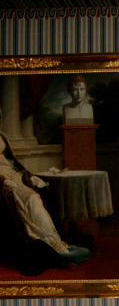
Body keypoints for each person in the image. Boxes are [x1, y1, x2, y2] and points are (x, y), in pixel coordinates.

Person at [0, 108, 90, 275]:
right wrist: (3, 180)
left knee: (39, 195)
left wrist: (29, 176)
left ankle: (57, 242)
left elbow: (13, 163)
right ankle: (49, 243)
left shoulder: (2, 136)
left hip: (13, 176)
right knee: (31, 199)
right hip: (3, 180)